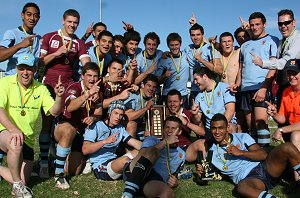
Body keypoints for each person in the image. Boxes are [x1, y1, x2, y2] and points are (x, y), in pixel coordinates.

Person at [0, 53, 64, 197]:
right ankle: (17, 187)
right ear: (17, 68)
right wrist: (13, 129)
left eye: (29, 69)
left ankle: (16, 180)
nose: (25, 72)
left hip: (27, 139)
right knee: (15, 142)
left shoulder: (41, 88)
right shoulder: (5, 82)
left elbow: (54, 111)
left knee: (24, 179)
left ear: (34, 70)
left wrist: (59, 97)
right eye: (22, 68)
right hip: (5, 131)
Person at [196, 113, 300, 198]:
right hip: (250, 179)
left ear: (227, 127)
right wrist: (201, 175)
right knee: (241, 188)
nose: (217, 132)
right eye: (214, 128)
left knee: (287, 147)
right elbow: (207, 177)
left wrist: (241, 152)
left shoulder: (242, 137)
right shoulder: (212, 152)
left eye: (220, 128)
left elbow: (263, 155)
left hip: (266, 168)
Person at [39, 9, 90, 178]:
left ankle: (61, 161)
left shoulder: (79, 43)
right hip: (49, 84)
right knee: (46, 121)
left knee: (67, 122)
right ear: (63, 21)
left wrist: (91, 73)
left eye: (75, 22)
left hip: (68, 85)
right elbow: (41, 62)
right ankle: (44, 162)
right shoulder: (49, 37)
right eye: (69, 22)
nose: (72, 25)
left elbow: (85, 62)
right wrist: (56, 54)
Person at [52, 62, 103, 189]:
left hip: (80, 133)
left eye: (95, 76)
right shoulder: (74, 87)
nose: (92, 79)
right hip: (64, 127)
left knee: (73, 171)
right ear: (82, 76)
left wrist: (93, 117)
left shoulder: (98, 92)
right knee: (69, 130)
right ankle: (58, 174)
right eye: (89, 75)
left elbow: (99, 113)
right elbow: (70, 107)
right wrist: (87, 95)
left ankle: (57, 159)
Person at [236, 12, 279, 147]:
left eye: (258, 24)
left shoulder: (273, 40)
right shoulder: (245, 45)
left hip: (261, 87)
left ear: (264, 24)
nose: (255, 27)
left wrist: (264, 87)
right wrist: (238, 84)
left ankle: (265, 154)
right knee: (250, 125)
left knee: (261, 123)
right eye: (252, 25)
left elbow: (274, 66)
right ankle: (256, 155)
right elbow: (241, 68)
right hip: (245, 89)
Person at [121, 116, 185, 198]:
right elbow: (144, 155)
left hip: (154, 181)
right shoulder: (152, 140)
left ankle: (137, 192)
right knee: (153, 152)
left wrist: (175, 182)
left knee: (170, 194)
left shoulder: (181, 154)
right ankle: (127, 194)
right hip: (136, 171)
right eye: (167, 127)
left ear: (179, 132)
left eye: (173, 128)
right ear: (163, 129)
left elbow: (175, 174)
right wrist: (165, 142)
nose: (169, 131)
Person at [251, 9, 300, 109]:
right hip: (284, 87)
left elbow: (286, 62)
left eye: (287, 23)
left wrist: (263, 63)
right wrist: (248, 30)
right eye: (280, 23)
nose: (283, 26)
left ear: (294, 23)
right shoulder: (282, 41)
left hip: (296, 88)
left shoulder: (298, 39)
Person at [82, 100, 142, 181]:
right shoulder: (95, 126)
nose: (118, 117)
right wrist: (105, 141)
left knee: (140, 152)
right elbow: (85, 150)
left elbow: (134, 142)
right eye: (116, 113)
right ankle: (137, 174)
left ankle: (136, 170)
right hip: (101, 165)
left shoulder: (120, 128)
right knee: (125, 161)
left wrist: (150, 147)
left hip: (114, 160)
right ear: (109, 113)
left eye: (121, 115)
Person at [266, 59, 300, 181]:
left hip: (295, 132)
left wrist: (281, 130)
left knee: (296, 136)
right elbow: (283, 118)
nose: (291, 76)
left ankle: (298, 180)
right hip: (292, 131)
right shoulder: (286, 91)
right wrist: (274, 113)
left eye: (295, 73)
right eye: (289, 73)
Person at [185, 23, 222, 105]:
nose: (195, 37)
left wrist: (201, 60)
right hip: (194, 90)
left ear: (202, 35)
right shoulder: (188, 48)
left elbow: (219, 70)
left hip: (208, 90)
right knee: (194, 116)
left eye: (198, 34)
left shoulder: (210, 48)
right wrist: (166, 53)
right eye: (193, 35)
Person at [192, 67, 236, 136]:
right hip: (210, 128)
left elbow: (230, 110)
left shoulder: (224, 88)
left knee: (231, 128)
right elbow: (197, 121)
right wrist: (195, 114)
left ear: (205, 77)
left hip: (226, 124)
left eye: (196, 79)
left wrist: (220, 127)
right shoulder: (199, 96)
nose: (195, 82)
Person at [0, 2, 41, 76]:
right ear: (22, 15)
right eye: (29, 14)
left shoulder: (39, 38)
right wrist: (20, 45)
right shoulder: (12, 33)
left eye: (35, 16)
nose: (32, 18)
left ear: (38, 18)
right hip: (13, 82)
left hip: (31, 82)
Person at [155, 33, 190, 108]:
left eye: (176, 44)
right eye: (172, 45)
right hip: (167, 95)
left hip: (182, 95)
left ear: (180, 44)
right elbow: (157, 80)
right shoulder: (163, 59)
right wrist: (164, 76)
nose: (174, 47)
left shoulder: (186, 55)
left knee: (183, 118)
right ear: (168, 46)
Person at [124, 74, 158, 139]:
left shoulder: (154, 98)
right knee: (132, 124)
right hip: (131, 130)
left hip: (144, 132)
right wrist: (146, 108)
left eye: (154, 87)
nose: (151, 89)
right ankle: (130, 149)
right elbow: (128, 117)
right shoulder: (134, 95)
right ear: (142, 85)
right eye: (149, 85)